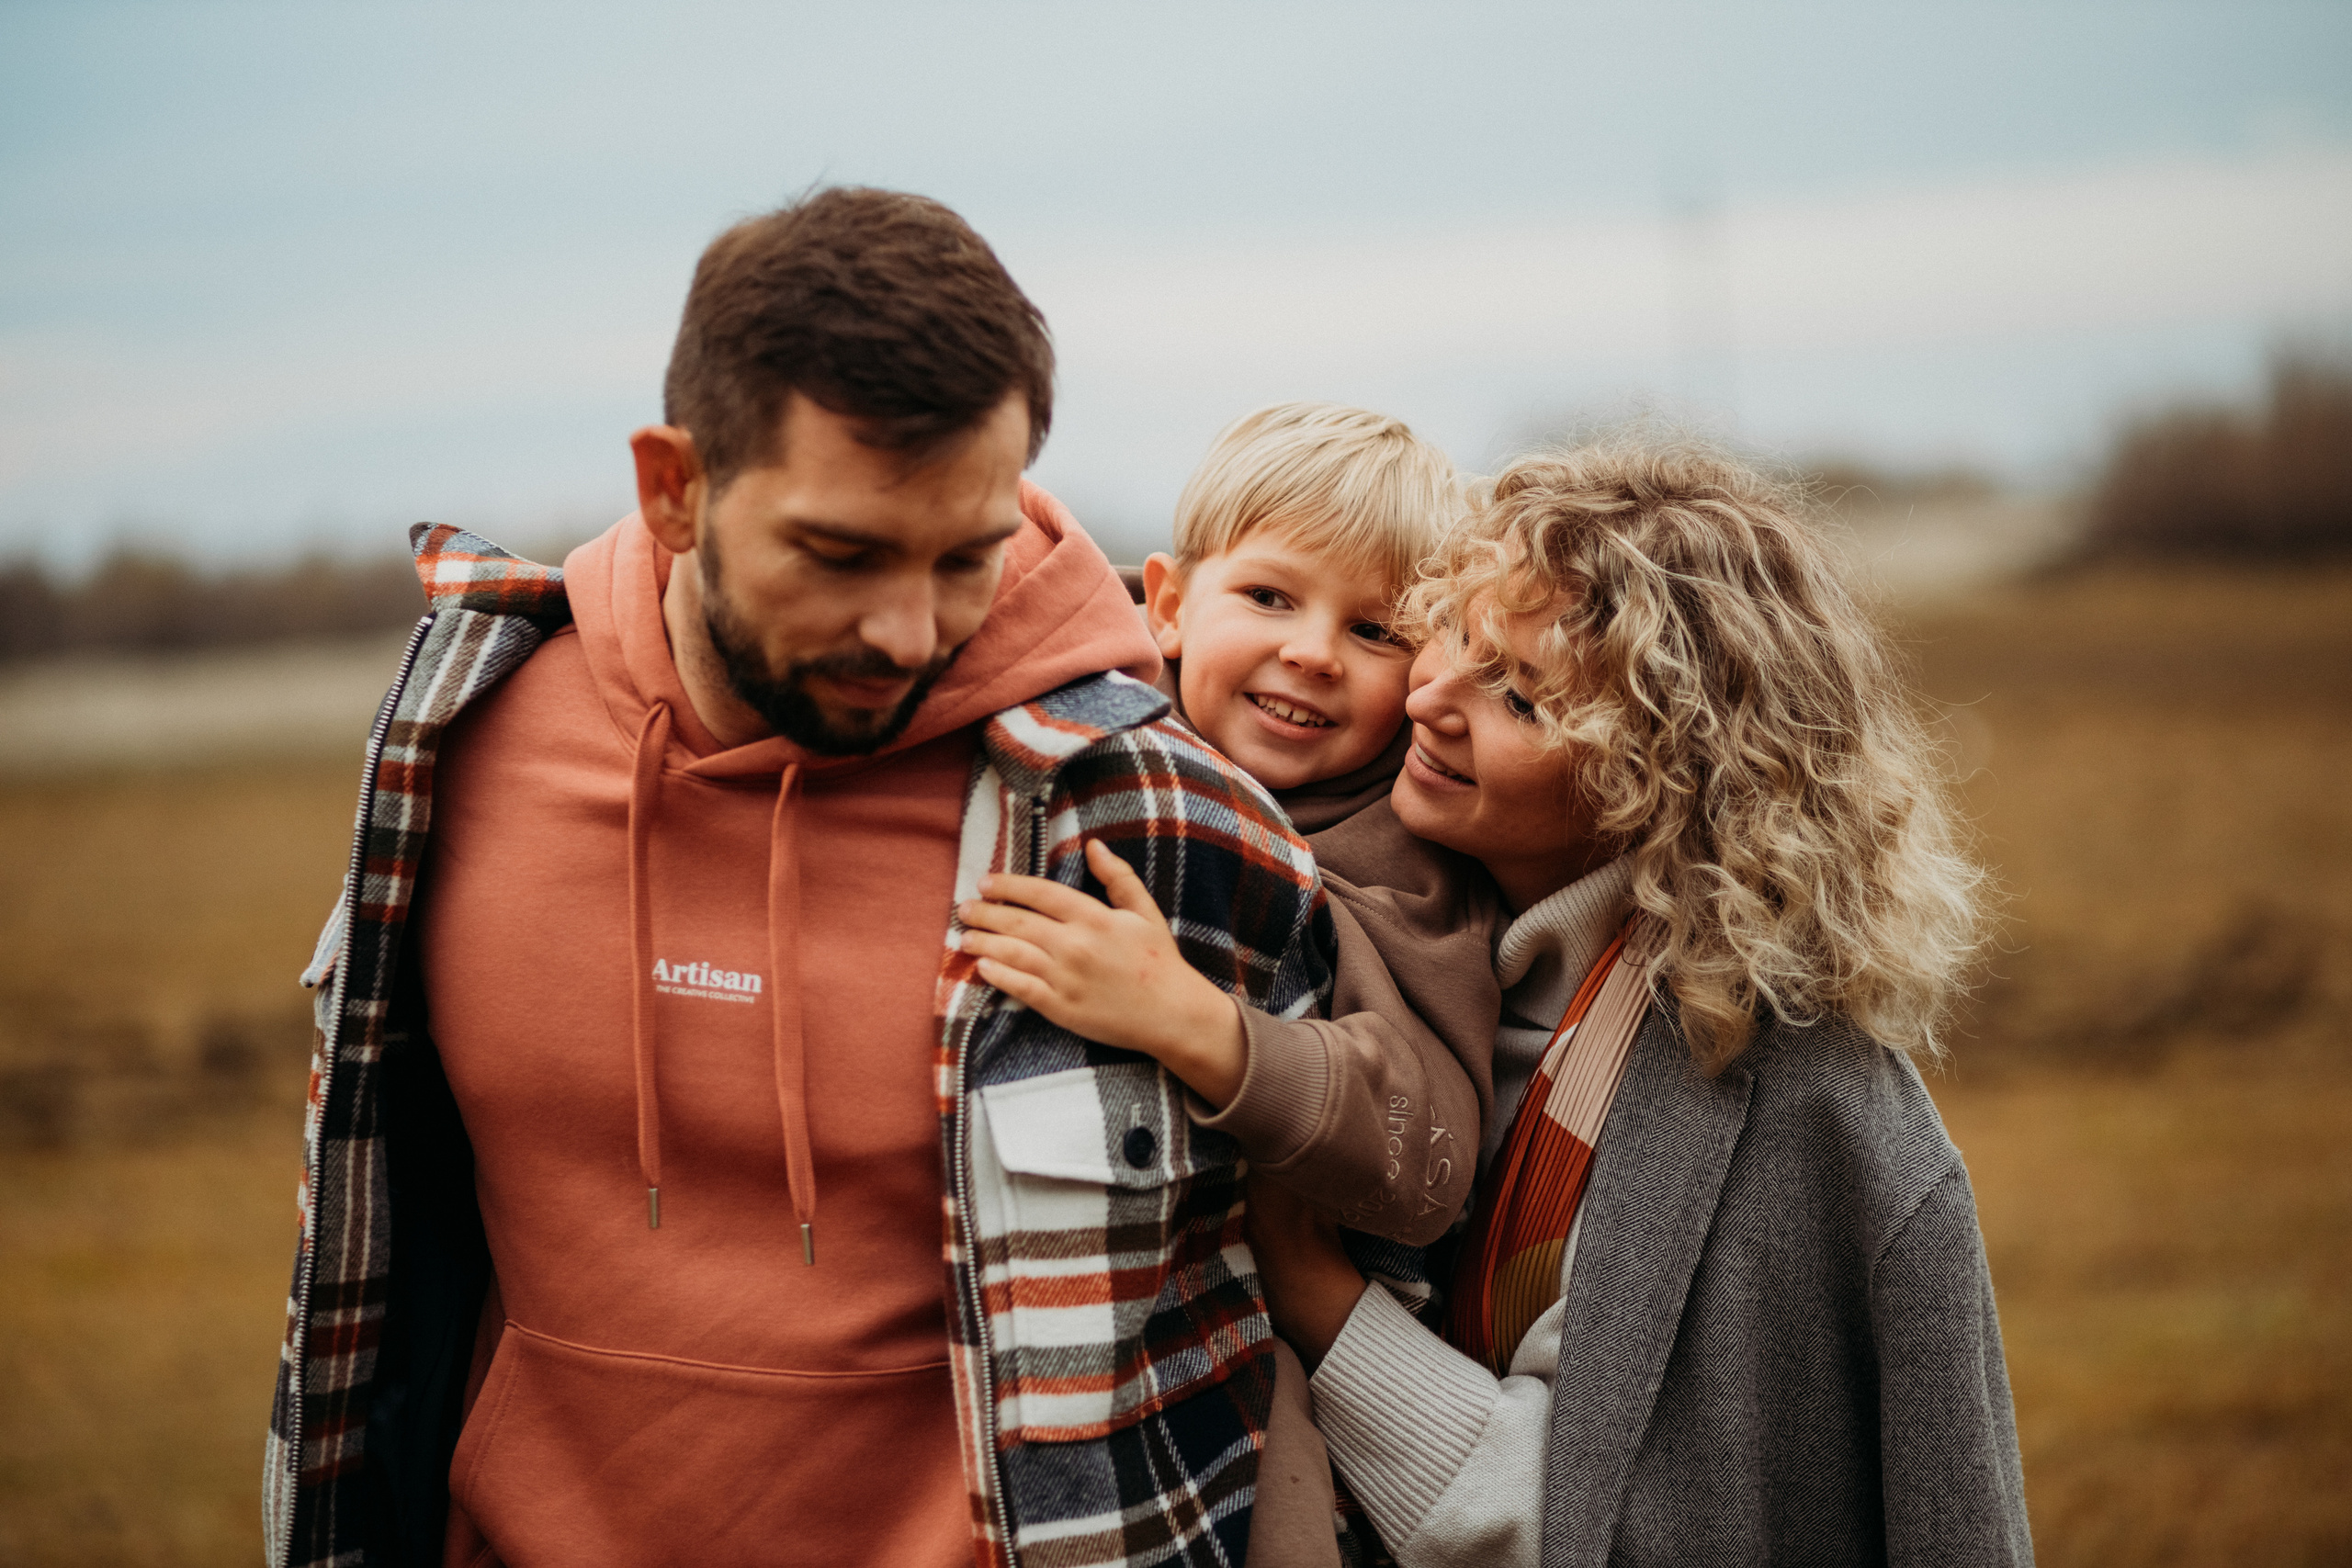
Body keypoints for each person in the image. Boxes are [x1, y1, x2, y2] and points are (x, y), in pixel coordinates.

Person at [263, 186, 1332, 1568]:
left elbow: (1352, 1249)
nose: (906, 629)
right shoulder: (453, 743)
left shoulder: (1138, 808)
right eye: (841, 554)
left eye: (966, 556)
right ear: (677, 485)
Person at [1250, 434, 2032, 1567]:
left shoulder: (1795, 1105)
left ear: (1663, 776)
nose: (1430, 697)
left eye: (1518, 696)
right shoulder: (1370, 944)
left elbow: (1593, 1517)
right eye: (1458, 636)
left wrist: (1316, 1297)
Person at [960, 402, 1502, 1563]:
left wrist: (1199, 1026)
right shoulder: (1088, 754)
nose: (1312, 650)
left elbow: (1429, 1157)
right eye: (1269, 598)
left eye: (1373, 629)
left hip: (1274, 1346)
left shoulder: (1403, 867)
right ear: (1165, 601)